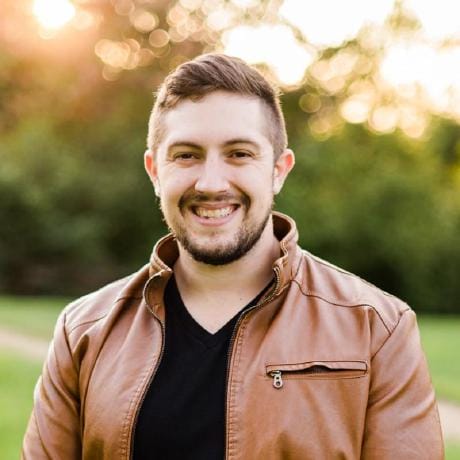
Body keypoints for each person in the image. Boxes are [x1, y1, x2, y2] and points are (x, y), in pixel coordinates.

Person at [22, 53, 443, 459]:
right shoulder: (83, 331)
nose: (211, 183)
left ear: (278, 170)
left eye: (239, 154)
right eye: (186, 155)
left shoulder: (377, 329)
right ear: (155, 171)